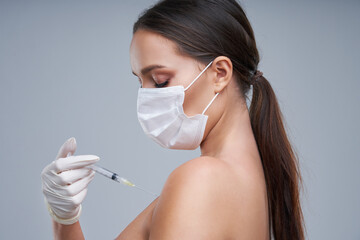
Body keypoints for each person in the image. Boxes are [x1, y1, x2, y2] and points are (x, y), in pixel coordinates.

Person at [41, 0, 305, 239]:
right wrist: (64, 218)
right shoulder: (251, 179)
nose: (146, 98)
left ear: (220, 73)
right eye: (139, 82)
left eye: (160, 81)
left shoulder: (201, 180)